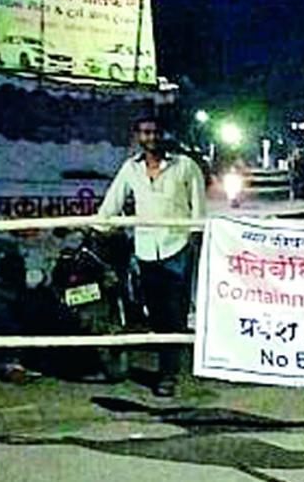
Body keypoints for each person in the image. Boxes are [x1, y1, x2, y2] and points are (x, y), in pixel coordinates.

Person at [98, 115, 206, 397]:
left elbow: (199, 209)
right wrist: (97, 227)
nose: (151, 137)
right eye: (145, 133)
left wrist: (195, 239)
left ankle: (169, 374)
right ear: (138, 136)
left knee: (175, 313)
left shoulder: (185, 166)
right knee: (156, 315)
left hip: (177, 247)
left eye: (155, 132)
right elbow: (111, 204)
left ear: (163, 134)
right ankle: (166, 366)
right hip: (146, 249)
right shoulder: (131, 169)